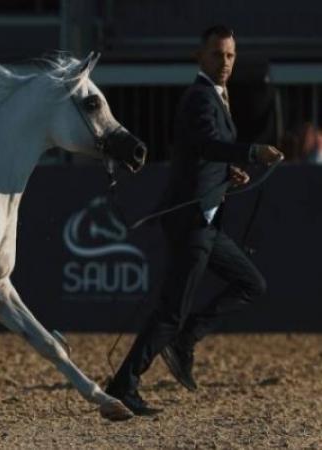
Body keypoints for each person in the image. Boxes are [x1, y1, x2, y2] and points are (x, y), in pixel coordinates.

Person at [104, 25, 284, 416]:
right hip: (191, 222)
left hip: (206, 222)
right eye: (218, 55)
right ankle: (125, 382)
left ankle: (183, 339)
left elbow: (205, 154)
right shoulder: (200, 98)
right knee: (170, 311)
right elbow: (206, 144)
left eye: (231, 56)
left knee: (251, 283)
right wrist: (251, 151)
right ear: (199, 58)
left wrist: (227, 173)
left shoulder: (215, 97)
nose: (225, 63)